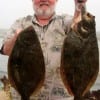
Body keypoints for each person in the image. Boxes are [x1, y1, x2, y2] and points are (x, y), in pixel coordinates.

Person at [0, 0, 94, 100]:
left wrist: (80, 5)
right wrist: (17, 38)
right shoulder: (20, 23)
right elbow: (5, 50)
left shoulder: (65, 22)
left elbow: (79, 25)